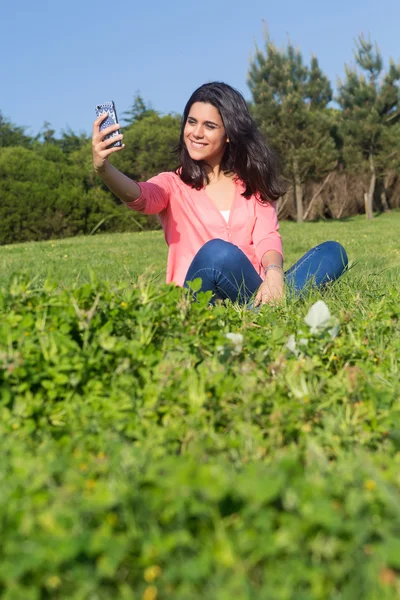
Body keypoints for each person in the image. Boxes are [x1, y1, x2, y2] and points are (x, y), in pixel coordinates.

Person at [92, 82, 348, 306]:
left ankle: (257, 310)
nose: (196, 132)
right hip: (200, 300)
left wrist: (273, 274)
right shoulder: (173, 184)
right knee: (217, 253)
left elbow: (267, 237)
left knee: (332, 253)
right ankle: (264, 313)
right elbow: (141, 196)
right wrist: (105, 170)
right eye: (191, 122)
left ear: (228, 134)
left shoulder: (251, 184)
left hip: (248, 289)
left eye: (209, 126)